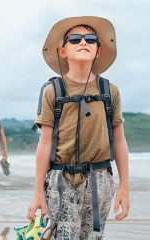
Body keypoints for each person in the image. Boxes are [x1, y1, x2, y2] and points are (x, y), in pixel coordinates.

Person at [27, 16, 130, 239]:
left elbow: (119, 140)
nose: (83, 42)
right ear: (62, 51)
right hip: (60, 179)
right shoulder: (53, 91)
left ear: (98, 50)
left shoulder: (109, 91)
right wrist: (37, 193)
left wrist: (124, 188)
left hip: (100, 180)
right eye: (74, 39)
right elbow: (44, 142)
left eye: (90, 38)